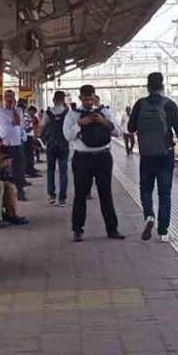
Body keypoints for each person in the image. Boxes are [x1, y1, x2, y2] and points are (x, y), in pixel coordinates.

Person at [127, 73, 178, 243]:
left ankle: (149, 215)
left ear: (147, 87)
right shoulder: (169, 105)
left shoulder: (140, 104)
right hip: (165, 154)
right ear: (162, 87)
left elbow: (130, 127)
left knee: (146, 189)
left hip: (147, 155)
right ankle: (163, 232)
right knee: (165, 193)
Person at [64, 84, 123, 242]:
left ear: (95, 97)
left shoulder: (105, 112)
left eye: (91, 99)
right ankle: (77, 230)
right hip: (82, 158)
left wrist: (104, 121)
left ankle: (112, 229)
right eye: (86, 99)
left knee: (106, 194)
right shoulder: (72, 115)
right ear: (80, 98)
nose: (89, 102)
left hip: (103, 157)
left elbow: (118, 132)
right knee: (80, 195)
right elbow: (67, 136)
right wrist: (80, 124)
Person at [0, 90, 28, 200]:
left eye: (11, 96)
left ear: (14, 98)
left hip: (16, 143)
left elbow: (17, 122)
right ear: (4, 98)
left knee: (18, 169)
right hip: (2, 144)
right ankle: (4, 193)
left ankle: (20, 192)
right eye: (7, 96)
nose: (9, 99)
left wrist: (13, 109)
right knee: (3, 168)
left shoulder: (18, 110)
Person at [39, 91, 71, 206]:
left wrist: (41, 140)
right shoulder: (68, 113)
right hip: (64, 144)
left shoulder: (47, 113)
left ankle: (51, 196)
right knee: (63, 171)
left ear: (53, 100)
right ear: (63, 100)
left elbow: (42, 128)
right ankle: (62, 199)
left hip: (51, 145)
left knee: (50, 170)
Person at [24, 105, 42, 177]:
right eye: (33, 112)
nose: (34, 114)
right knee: (28, 155)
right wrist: (33, 127)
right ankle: (29, 170)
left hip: (30, 137)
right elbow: (26, 128)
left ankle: (31, 168)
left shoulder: (29, 118)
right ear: (30, 111)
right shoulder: (26, 117)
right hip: (27, 137)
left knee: (31, 154)